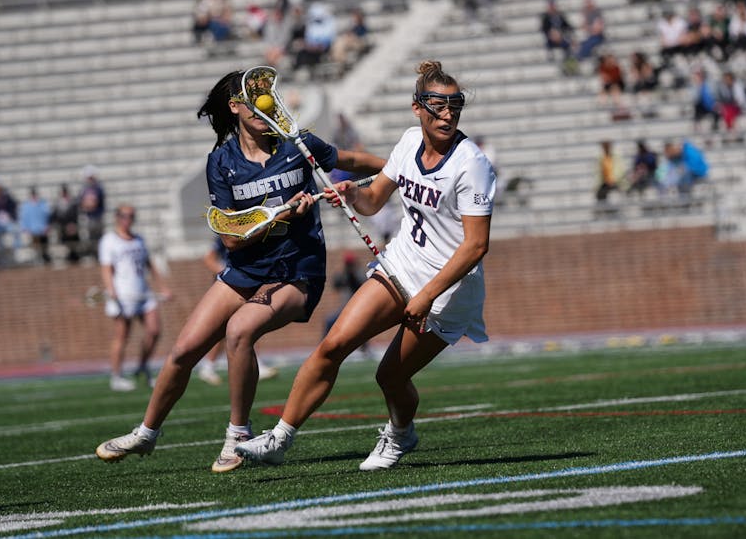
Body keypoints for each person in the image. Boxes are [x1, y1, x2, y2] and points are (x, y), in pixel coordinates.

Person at [95, 68, 385, 472]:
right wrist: (281, 212)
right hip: (246, 268)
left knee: (240, 330)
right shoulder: (222, 162)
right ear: (234, 107)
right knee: (183, 351)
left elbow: (351, 160)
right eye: (252, 98)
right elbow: (231, 239)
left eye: (267, 96)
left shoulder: (296, 144)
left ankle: (238, 434)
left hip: (296, 271)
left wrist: (397, 170)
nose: (263, 105)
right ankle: (147, 433)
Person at [235, 60, 496, 471]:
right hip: (401, 266)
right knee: (333, 345)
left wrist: (428, 296)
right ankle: (279, 439)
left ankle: (400, 434)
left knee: (389, 377)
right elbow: (373, 199)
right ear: (417, 108)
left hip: (449, 290)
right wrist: (349, 195)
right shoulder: (409, 142)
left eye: (455, 105)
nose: (447, 114)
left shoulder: (471, 164)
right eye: (438, 105)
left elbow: (476, 246)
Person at [98, 204, 172, 391]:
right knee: (122, 336)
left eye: (131, 215)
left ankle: (142, 366)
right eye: (124, 215)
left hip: (143, 293)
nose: (128, 219)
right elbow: (106, 268)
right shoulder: (109, 240)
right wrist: (111, 290)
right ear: (117, 217)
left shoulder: (139, 239)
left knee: (154, 331)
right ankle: (116, 376)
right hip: (123, 295)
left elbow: (149, 265)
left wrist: (162, 287)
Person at [196, 237, 278, 386]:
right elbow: (209, 258)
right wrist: (230, 274)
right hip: (231, 288)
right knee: (227, 328)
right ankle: (208, 366)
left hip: (241, 285)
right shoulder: (227, 235)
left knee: (247, 324)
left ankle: (254, 363)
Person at [322, 252, 371, 359]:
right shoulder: (344, 274)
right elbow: (335, 284)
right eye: (347, 264)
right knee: (329, 321)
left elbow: (361, 282)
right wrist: (344, 273)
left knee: (363, 324)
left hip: (358, 308)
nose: (349, 266)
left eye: (350, 264)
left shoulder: (359, 273)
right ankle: (323, 347)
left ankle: (365, 348)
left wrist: (352, 273)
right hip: (344, 309)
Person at [19, 186, 52, 265]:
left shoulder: (43, 204)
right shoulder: (26, 206)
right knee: (36, 247)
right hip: (33, 230)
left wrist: (47, 226)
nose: (34, 196)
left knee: (44, 246)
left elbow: (48, 215)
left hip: (42, 229)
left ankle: (45, 260)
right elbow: (24, 218)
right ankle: (37, 260)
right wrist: (26, 229)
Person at [78, 165, 106, 258]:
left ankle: (100, 254)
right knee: (91, 236)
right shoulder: (84, 189)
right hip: (89, 217)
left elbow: (95, 202)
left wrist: (90, 204)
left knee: (99, 236)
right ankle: (93, 254)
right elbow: (82, 202)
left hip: (97, 216)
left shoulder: (98, 188)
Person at [51, 184, 81, 264]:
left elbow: (75, 214)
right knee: (64, 243)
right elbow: (54, 216)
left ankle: (74, 256)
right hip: (62, 227)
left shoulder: (73, 202)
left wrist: (72, 224)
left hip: (72, 226)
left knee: (74, 242)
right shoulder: (58, 204)